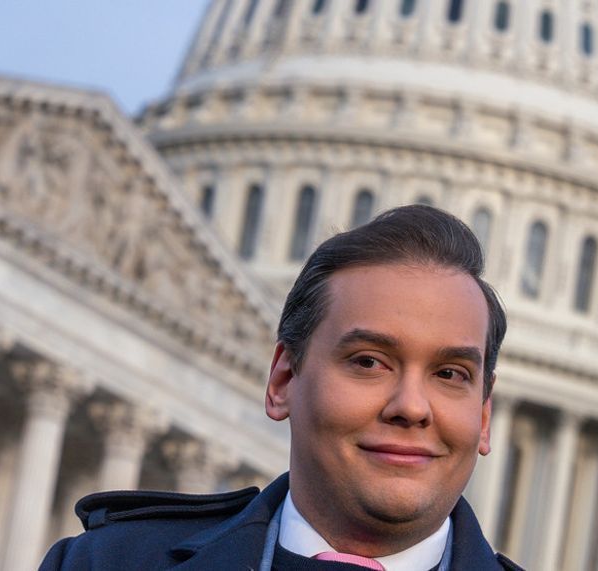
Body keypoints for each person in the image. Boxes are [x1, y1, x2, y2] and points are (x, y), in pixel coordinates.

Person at [38, 205, 523, 570]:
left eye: (450, 374)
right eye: (370, 362)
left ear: (483, 416)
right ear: (283, 380)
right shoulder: (104, 563)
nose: (411, 407)